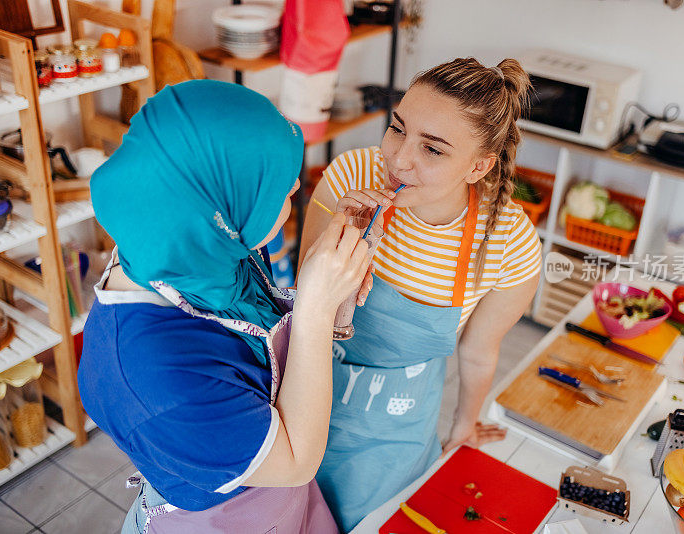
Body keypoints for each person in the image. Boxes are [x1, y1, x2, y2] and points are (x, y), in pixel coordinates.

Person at [78, 80, 371, 533]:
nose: (296, 184)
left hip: (282, 500)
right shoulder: (158, 375)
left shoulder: (194, 247)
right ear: (222, 215)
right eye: (279, 190)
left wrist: (331, 284)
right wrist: (316, 308)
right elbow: (295, 462)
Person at [299, 57, 542, 531]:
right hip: (302, 398)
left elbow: (477, 353)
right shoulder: (351, 176)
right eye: (397, 128)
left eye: (432, 149)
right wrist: (337, 244)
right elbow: (296, 307)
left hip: (397, 434)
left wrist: (463, 426)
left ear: (478, 166)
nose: (397, 158)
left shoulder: (508, 242)